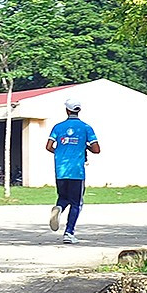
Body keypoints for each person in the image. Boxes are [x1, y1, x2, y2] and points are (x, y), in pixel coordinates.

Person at [45, 97, 101, 244]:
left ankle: (59, 208)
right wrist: (84, 146)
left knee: (63, 198)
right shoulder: (86, 128)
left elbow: (49, 146)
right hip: (77, 171)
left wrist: (60, 152)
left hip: (61, 170)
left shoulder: (58, 127)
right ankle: (69, 233)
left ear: (67, 110)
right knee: (76, 203)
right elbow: (96, 149)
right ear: (79, 110)